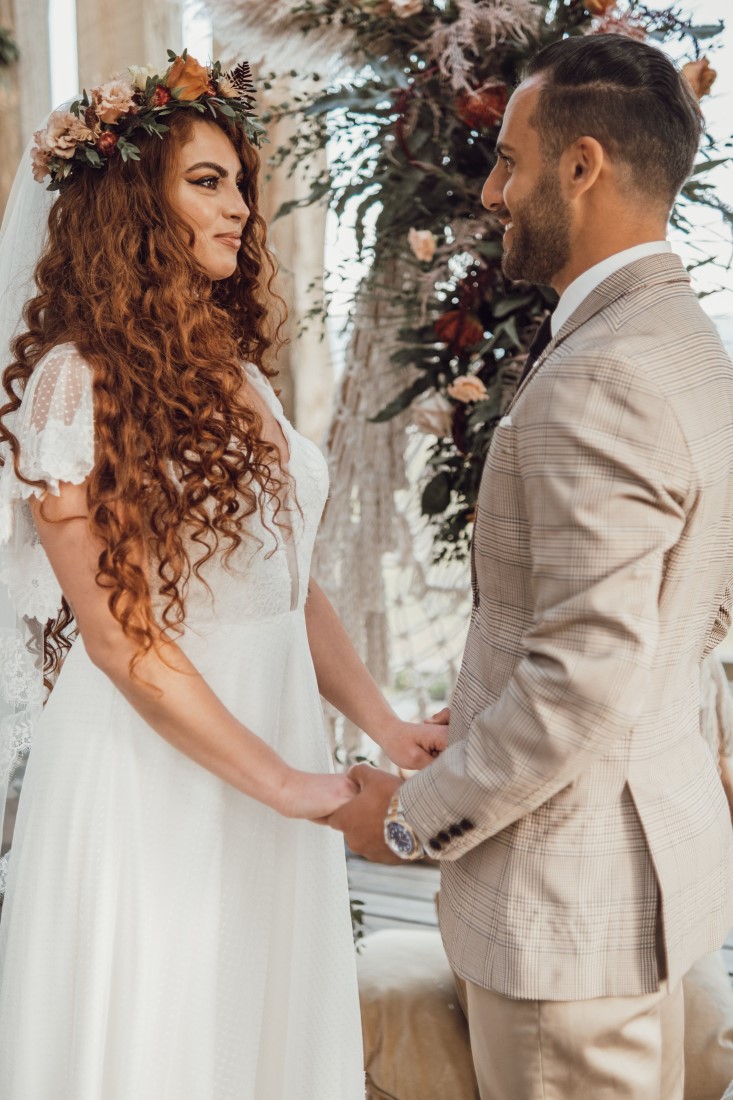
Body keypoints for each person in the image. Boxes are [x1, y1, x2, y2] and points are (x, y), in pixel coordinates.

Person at [0, 54, 445, 1098]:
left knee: (261, 1040)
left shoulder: (236, 372)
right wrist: (291, 783)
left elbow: (283, 583)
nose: (240, 205)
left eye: (240, 180)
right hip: (147, 776)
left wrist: (379, 724)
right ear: (130, 202)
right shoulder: (74, 380)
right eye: (207, 180)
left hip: (271, 752)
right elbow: (119, 635)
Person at [329, 33, 733, 1100]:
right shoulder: (689, 345)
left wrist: (410, 812)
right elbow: (693, 613)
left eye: (508, 160)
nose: (492, 189)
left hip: (568, 915)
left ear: (582, 165)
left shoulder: (601, 377)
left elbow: (578, 678)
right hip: (656, 875)